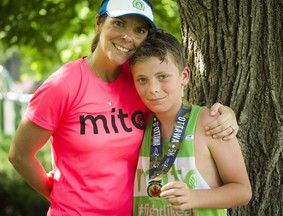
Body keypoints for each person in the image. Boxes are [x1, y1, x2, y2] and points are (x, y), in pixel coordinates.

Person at [8, 0, 239, 215]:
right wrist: (58, 195)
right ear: (99, 24)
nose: (128, 36)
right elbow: (19, 155)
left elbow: (175, 112)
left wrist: (223, 114)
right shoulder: (63, 85)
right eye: (119, 23)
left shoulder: (140, 81)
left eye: (139, 30)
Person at [130, 30, 252, 215]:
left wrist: (195, 197)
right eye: (142, 80)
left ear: (185, 76)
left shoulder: (209, 122)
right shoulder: (139, 125)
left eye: (162, 76)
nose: (153, 89)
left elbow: (242, 191)